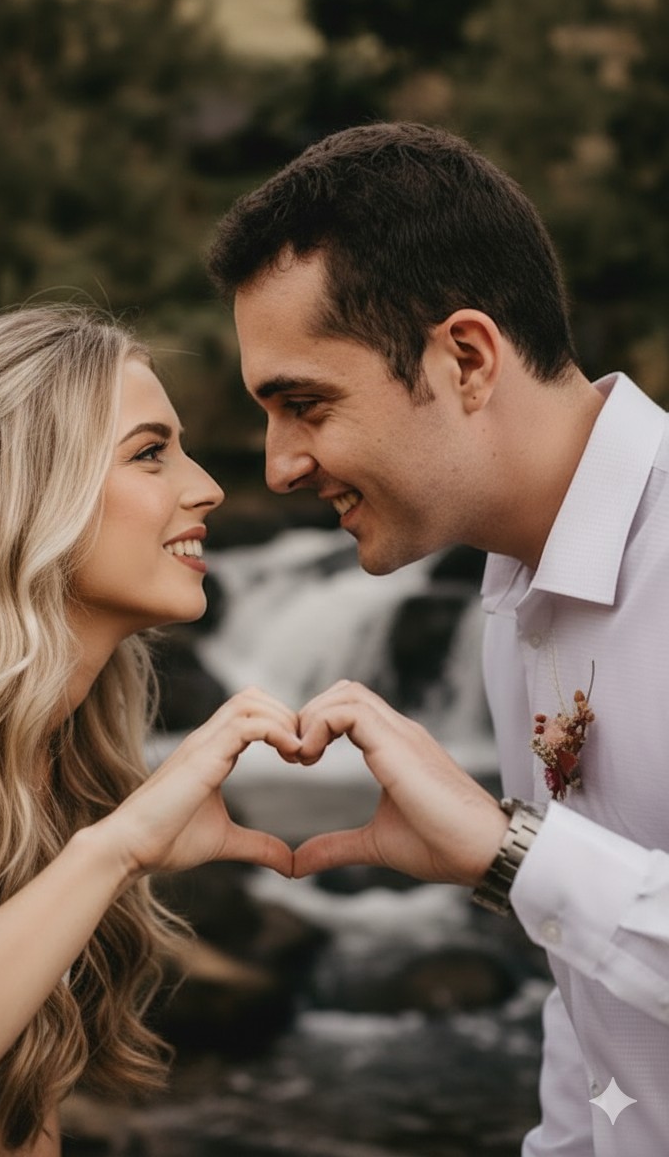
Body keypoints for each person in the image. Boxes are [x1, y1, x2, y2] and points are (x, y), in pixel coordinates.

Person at [207, 122, 669, 1155]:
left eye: (304, 404)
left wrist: (508, 853)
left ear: (464, 358)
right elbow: (591, 1013)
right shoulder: (512, 595)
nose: (278, 465)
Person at [0, 304, 301, 1157]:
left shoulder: (56, 753)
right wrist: (114, 849)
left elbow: (14, 1124)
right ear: (29, 488)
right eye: (151, 452)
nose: (206, 487)